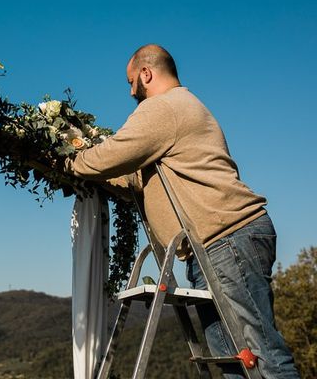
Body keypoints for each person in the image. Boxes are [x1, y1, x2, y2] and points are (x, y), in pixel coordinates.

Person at [62, 44, 299, 378]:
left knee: (262, 355)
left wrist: (69, 160)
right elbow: (131, 177)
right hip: (217, 245)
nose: (131, 91)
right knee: (234, 360)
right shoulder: (182, 108)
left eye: (132, 82)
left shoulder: (163, 108)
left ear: (146, 73)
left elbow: (112, 155)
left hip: (226, 239)